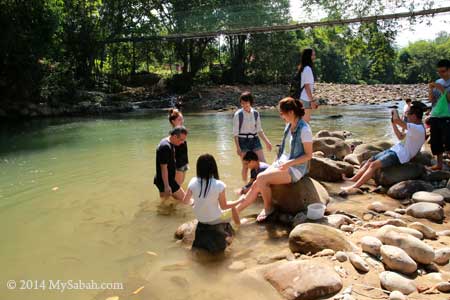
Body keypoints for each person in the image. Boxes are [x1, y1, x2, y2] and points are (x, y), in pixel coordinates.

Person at [237, 97, 313, 222]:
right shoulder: (288, 125)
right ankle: (236, 210)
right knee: (257, 182)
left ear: (291, 112)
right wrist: (274, 164)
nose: (281, 116)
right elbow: (283, 150)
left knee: (261, 178)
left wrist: (290, 163)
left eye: (282, 113)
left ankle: (268, 208)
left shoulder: (304, 129)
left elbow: (309, 155)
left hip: (296, 168)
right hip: (283, 163)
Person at [341, 104, 426, 192]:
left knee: (373, 165)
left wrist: (394, 110)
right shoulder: (416, 128)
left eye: (408, 115)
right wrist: (393, 124)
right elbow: (400, 137)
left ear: (414, 116)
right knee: (370, 161)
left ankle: (354, 187)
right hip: (395, 150)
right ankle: (353, 179)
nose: (407, 117)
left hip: (400, 156)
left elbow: (397, 120)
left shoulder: (418, 128)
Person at [183, 154, 242, 253]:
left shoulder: (193, 181)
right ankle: (237, 227)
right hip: (215, 220)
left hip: (200, 219)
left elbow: (185, 201)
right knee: (232, 205)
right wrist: (240, 200)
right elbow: (224, 206)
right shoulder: (219, 184)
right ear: (213, 167)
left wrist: (193, 202)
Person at [233, 91, 272, 182]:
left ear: (250, 102)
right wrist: (238, 147)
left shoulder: (255, 113)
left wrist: (267, 142)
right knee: (245, 166)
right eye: (242, 103)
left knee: (262, 162)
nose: (244, 105)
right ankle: (245, 185)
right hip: (243, 141)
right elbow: (235, 133)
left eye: (246, 102)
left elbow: (259, 130)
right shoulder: (238, 115)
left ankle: (264, 182)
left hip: (255, 139)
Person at [154, 126, 188, 202]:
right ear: (175, 136)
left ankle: (163, 213)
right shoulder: (165, 147)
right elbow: (164, 168)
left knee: (165, 203)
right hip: (166, 181)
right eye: (181, 140)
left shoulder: (169, 142)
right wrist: (166, 186)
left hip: (163, 180)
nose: (182, 142)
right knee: (186, 200)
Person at [427, 59, 450, 170]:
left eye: (443, 71)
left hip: (448, 116)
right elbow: (431, 100)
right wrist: (431, 89)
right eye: (439, 72)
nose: (441, 74)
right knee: (436, 141)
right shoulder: (438, 81)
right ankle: (439, 164)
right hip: (435, 115)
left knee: (448, 141)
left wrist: (442, 90)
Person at [169, 109, 189, 185]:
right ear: (173, 121)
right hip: (178, 165)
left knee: (180, 184)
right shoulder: (173, 135)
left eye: (182, 119)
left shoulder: (182, 132)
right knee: (177, 186)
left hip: (184, 163)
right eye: (179, 119)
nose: (182, 121)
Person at [298, 48, 318, 123]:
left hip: (302, 98)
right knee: (305, 123)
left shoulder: (302, 68)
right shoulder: (307, 69)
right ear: (308, 56)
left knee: (301, 122)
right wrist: (312, 101)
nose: (314, 57)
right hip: (305, 99)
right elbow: (307, 86)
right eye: (313, 55)